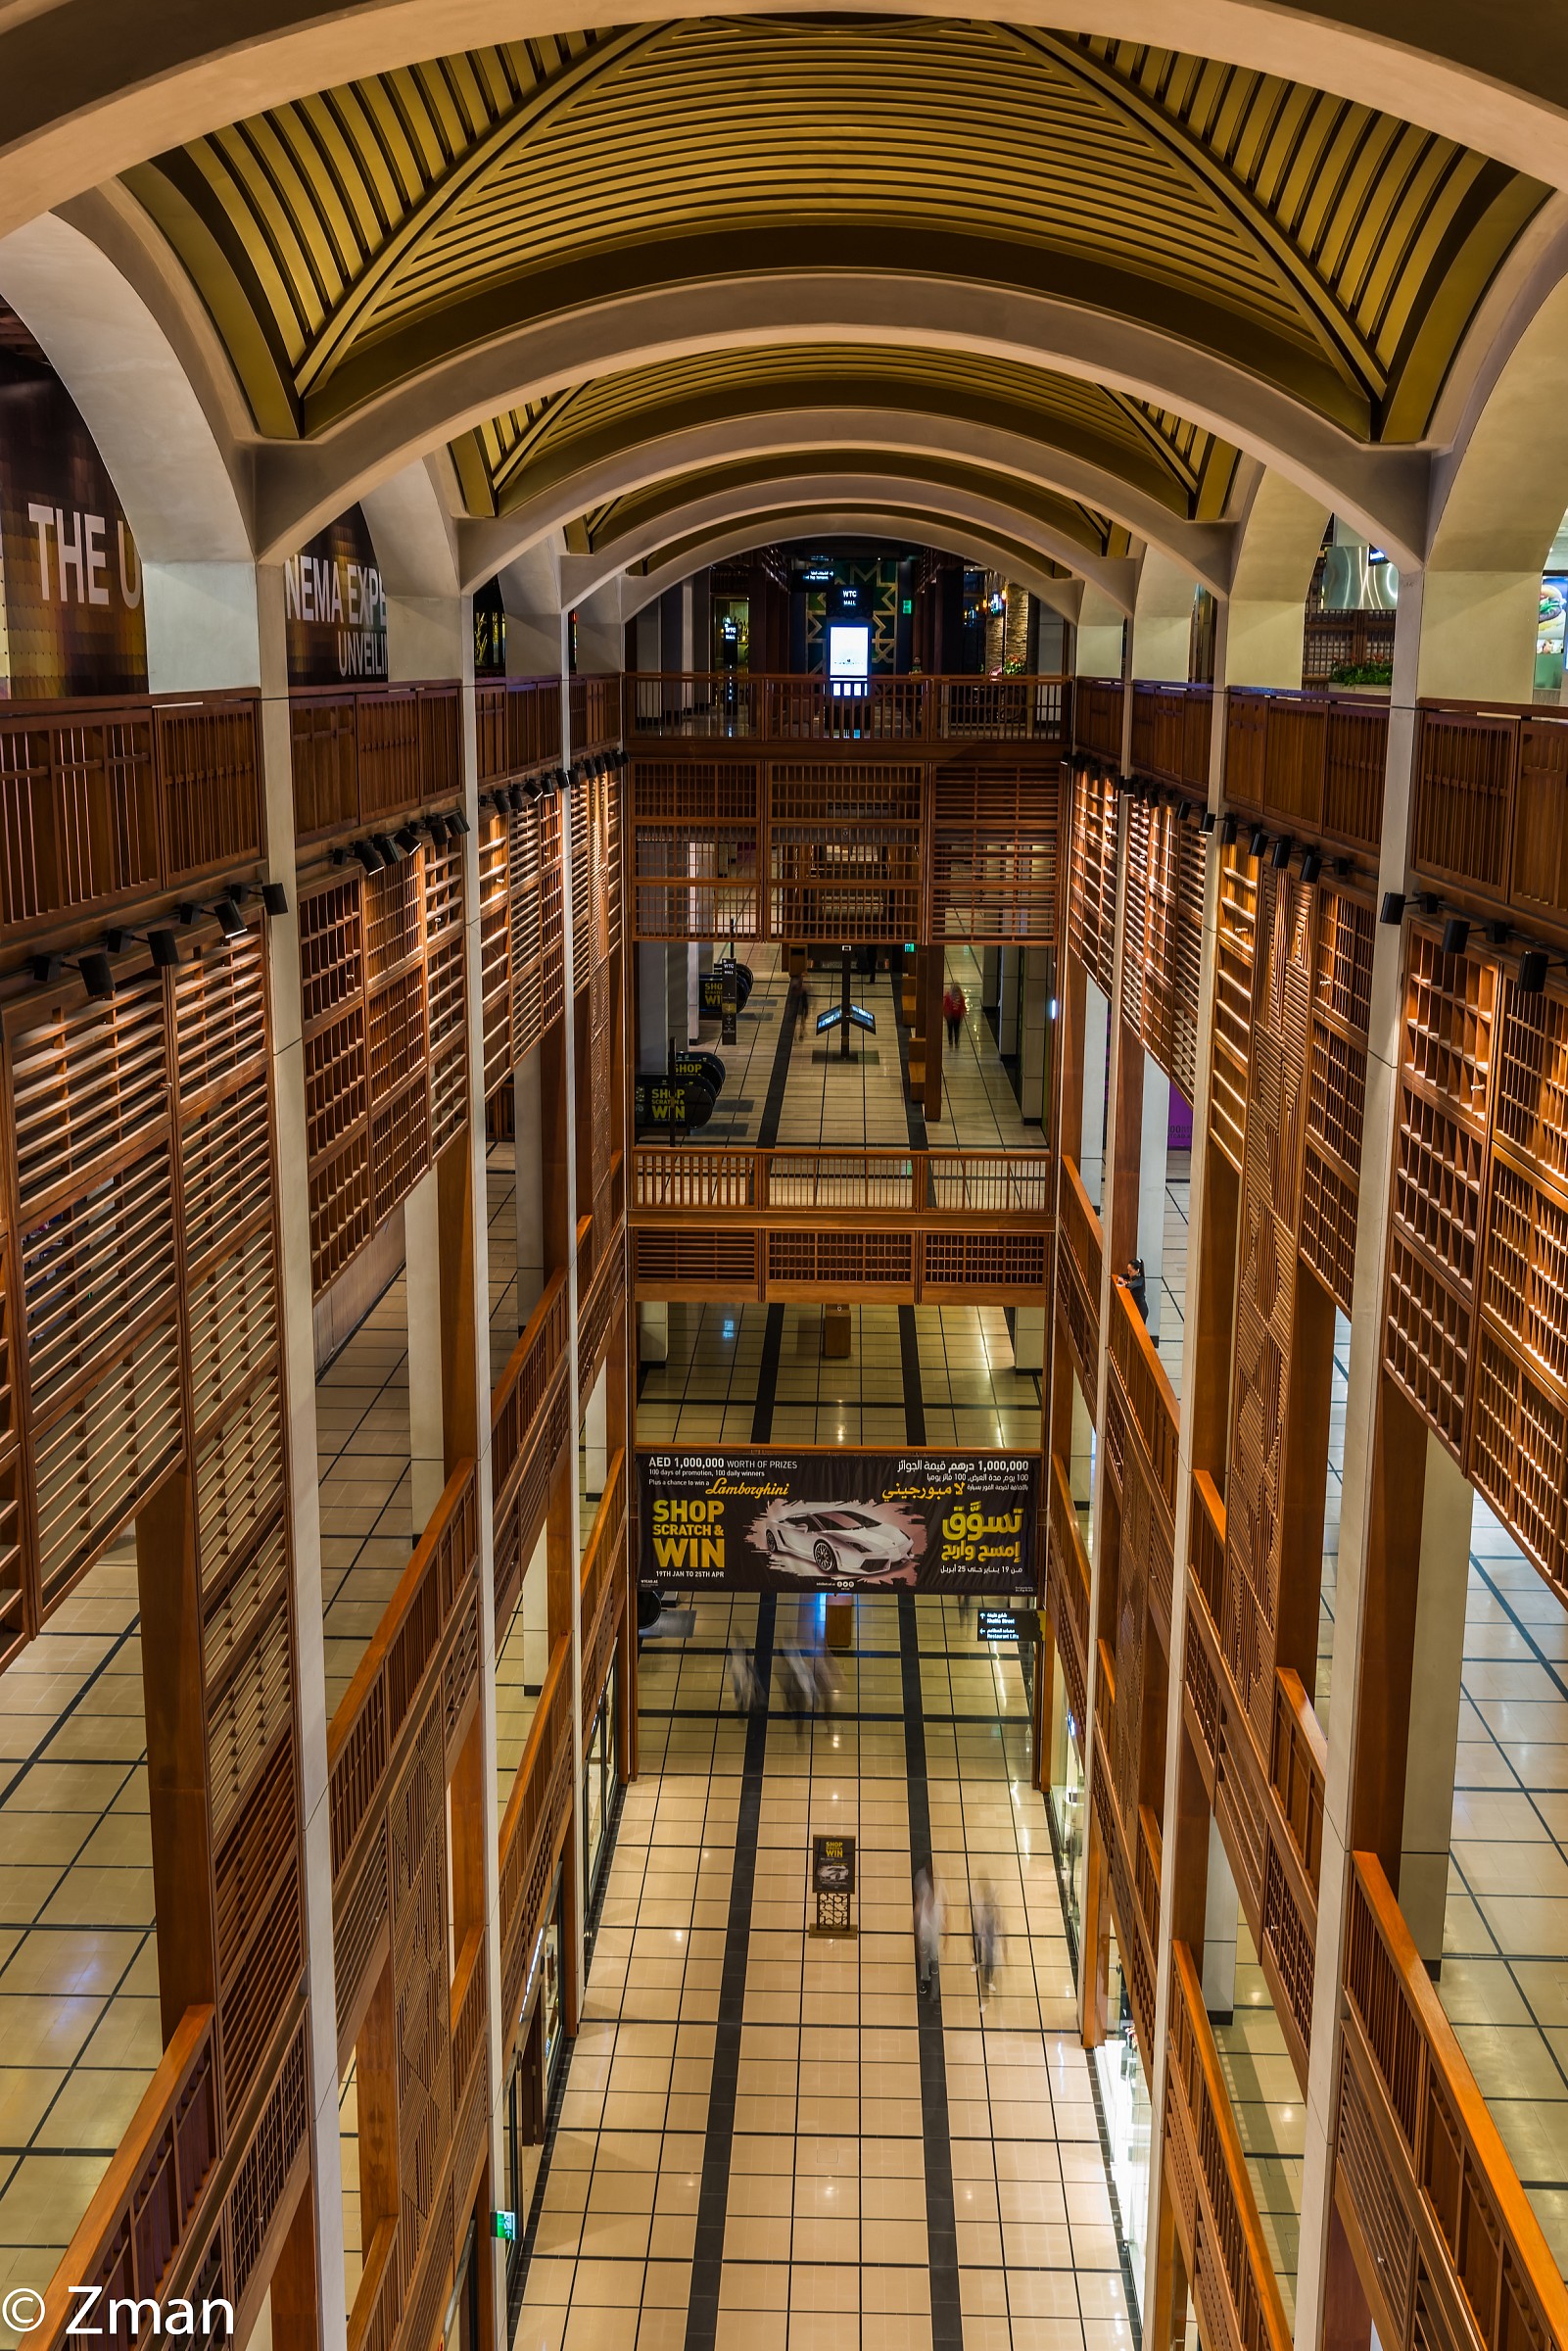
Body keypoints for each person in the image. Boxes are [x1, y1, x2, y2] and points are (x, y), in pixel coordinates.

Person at [914, 1866, 946, 1999]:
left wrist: (946, 1935)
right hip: (925, 1930)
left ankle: (934, 1986)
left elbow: (946, 1911)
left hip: (934, 1932)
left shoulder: (939, 1890)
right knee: (924, 1956)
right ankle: (925, 1979)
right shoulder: (924, 1887)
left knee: (934, 1957)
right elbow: (918, 1907)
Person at [1124, 1256, 1149, 1323]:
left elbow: (1130, 1286)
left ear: (1137, 1271)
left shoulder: (1140, 1279)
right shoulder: (1132, 1276)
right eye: (1128, 1270)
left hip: (1141, 1309)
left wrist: (1126, 1283)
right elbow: (1122, 1275)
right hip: (1135, 1307)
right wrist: (1120, 1278)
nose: (1128, 1272)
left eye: (1130, 1271)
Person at [943, 982, 966, 1048]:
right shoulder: (961, 998)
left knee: (950, 1029)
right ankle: (956, 1041)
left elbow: (945, 1007)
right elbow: (962, 1007)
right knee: (956, 1029)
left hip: (951, 1016)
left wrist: (946, 1014)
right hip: (956, 1017)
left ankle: (951, 1041)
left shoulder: (949, 997)